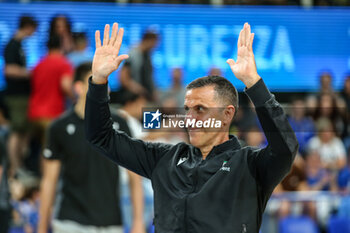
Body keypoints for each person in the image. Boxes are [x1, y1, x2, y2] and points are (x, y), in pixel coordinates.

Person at [85, 22, 298, 233]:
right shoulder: (163, 158)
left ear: (227, 114)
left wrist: (254, 83)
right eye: (187, 109)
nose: (190, 119)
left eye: (200, 109)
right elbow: (101, 137)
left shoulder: (251, 166)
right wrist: (99, 81)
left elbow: (286, 148)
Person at [38, 62, 130, 233]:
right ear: (79, 88)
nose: (105, 89)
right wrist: (42, 228)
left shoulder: (120, 123)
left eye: (105, 84)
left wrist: (138, 222)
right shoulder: (59, 127)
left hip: (110, 222)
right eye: (96, 83)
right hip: (70, 222)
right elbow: (49, 180)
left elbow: (134, 177)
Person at [4, 15, 38, 177]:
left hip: (22, 95)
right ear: (28, 27)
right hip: (15, 95)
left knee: (24, 130)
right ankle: (15, 167)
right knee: (17, 131)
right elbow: (8, 70)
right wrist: (29, 73)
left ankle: (19, 165)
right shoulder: (12, 45)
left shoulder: (19, 45)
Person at [28, 35, 74, 147]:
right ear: (61, 46)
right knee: (51, 151)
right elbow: (66, 86)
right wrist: (75, 98)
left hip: (34, 113)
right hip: (52, 114)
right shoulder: (63, 63)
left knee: (44, 149)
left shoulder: (39, 64)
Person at [119, 30, 159, 101]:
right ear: (148, 41)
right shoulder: (132, 54)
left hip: (146, 97)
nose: (155, 46)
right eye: (154, 43)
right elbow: (123, 77)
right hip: (133, 97)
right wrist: (138, 90)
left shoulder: (148, 56)